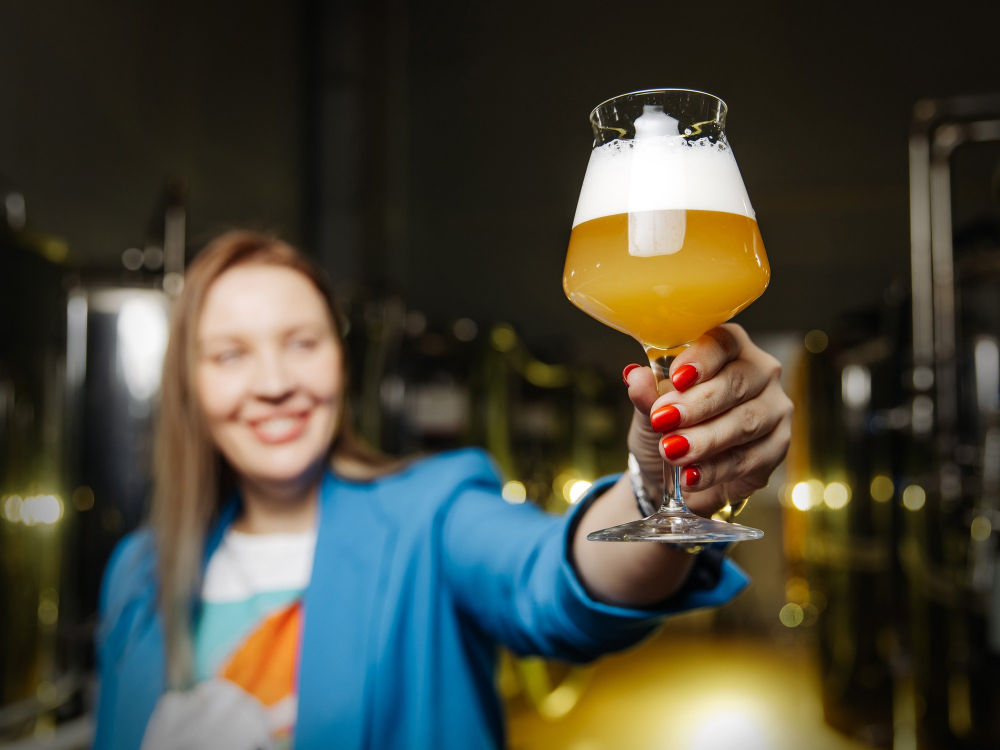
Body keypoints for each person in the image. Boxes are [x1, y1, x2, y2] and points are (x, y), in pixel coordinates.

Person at [93, 231, 793, 750]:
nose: (275, 381)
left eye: (302, 342)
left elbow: (550, 576)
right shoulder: (138, 572)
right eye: (230, 354)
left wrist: (653, 486)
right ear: (190, 384)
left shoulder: (432, 513)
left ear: (342, 363)